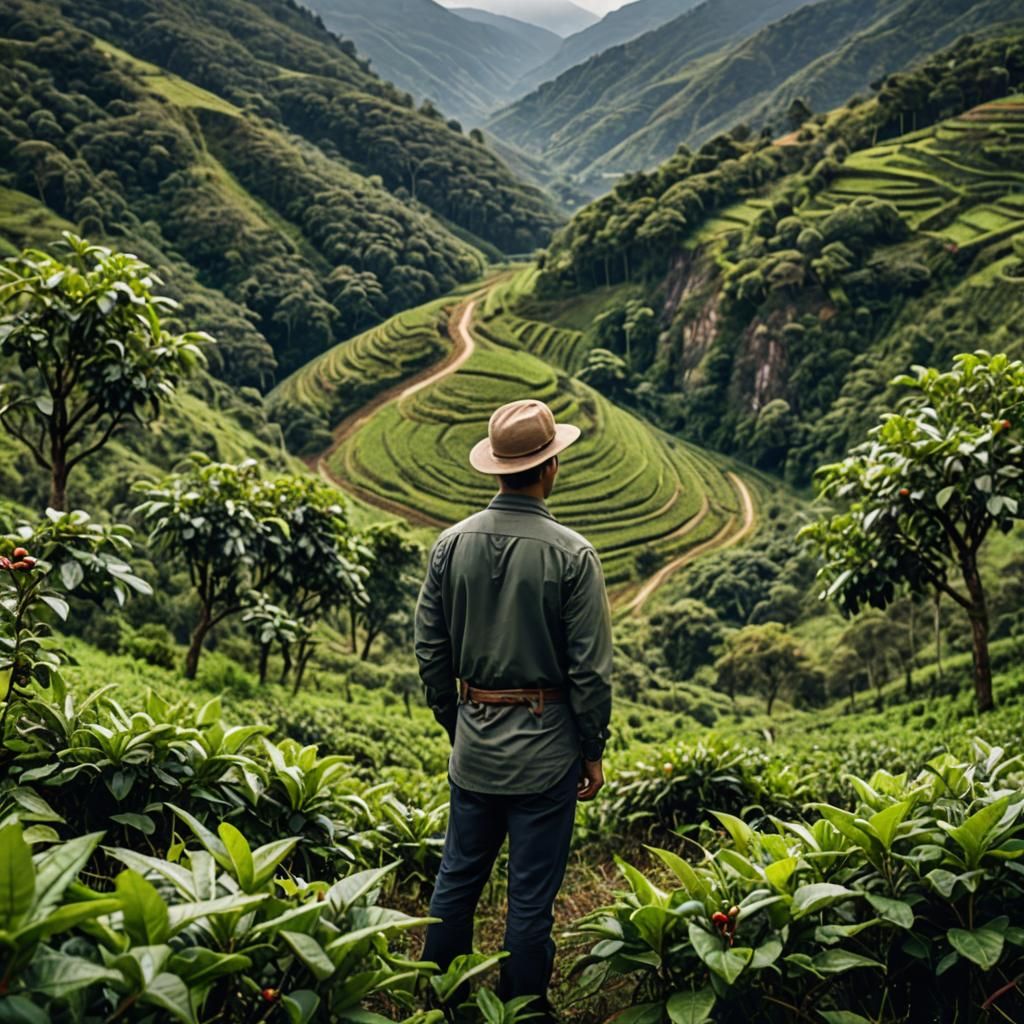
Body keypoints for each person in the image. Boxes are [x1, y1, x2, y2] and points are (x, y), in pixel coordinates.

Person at [414, 398, 613, 1020]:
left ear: (495, 469)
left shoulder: (450, 545)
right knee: (530, 899)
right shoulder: (573, 556)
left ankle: (443, 1004)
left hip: (474, 748)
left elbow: (429, 649)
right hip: (547, 751)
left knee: (457, 882)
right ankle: (523, 1012)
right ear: (550, 467)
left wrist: (460, 722)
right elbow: (590, 670)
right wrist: (592, 748)